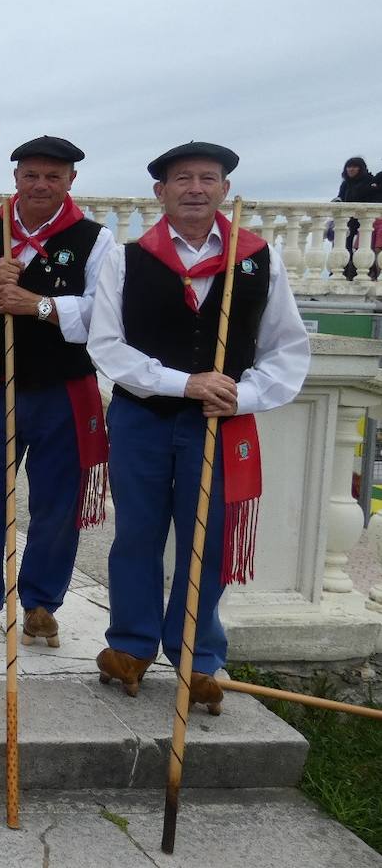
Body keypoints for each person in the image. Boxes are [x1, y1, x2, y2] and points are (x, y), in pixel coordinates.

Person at [87, 141, 309, 712]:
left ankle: (198, 656)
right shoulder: (128, 257)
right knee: (137, 535)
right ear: (159, 193)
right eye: (181, 179)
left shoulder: (259, 258)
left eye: (207, 178)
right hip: (144, 418)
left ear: (224, 191)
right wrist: (182, 382)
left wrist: (242, 394)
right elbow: (108, 346)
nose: (195, 188)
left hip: (220, 423)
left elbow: (287, 347)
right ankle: (130, 648)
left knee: (208, 542)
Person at [0, 136, 115, 644]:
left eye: (53, 177)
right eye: (31, 175)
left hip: (62, 391)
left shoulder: (93, 238)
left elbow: (104, 314)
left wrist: (38, 304)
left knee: (57, 501)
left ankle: (39, 602)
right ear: (16, 178)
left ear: (71, 181)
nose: (40, 185)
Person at [329, 156, 380, 280]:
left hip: (364, 222)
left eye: (354, 167)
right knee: (341, 244)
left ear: (360, 168)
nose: (351, 169)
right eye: (349, 166)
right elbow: (340, 197)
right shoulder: (346, 184)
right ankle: (342, 271)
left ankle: (359, 272)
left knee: (361, 247)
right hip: (348, 221)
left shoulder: (369, 181)